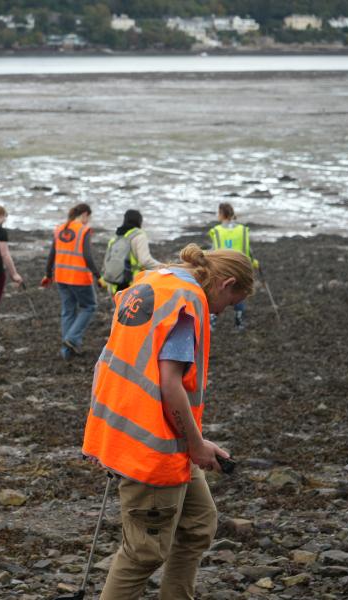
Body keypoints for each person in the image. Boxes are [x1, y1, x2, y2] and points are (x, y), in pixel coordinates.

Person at [82, 243, 254, 600]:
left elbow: (106, 359)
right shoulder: (187, 302)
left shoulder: (151, 284)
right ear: (227, 284)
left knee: (197, 525)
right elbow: (169, 382)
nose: (222, 312)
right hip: (150, 447)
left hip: (146, 435)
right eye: (230, 303)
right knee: (143, 553)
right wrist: (196, 444)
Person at [42, 203, 101, 360]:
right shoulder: (83, 230)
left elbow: (51, 254)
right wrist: (98, 275)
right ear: (84, 215)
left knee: (68, 311)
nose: (88, 221)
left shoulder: (59, 228)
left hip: (61, 276)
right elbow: (87, 256)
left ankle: (66, 352)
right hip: (79, 277)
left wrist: (48, 275)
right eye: (89, 217)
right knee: (89, 306)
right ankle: (72, 339)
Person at [207, 202, 258, 330]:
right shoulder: (242, 230)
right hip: (239, 268)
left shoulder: (217, 231)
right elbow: (248, 249)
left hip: (221, 269)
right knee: (239, 293)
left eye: (218, 212)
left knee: (215, 294)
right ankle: (238, 321)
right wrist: (253, 262)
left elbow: (213, 250)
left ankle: (212, 322)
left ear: (222, 214)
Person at [101, 209, 161, 296]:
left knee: (118, 309)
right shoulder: (139, 236)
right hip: (132, 285)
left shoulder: (115, 237)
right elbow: (145, 260)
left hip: (113, 284)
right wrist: (163, 267)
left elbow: (106, 261)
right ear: (139, 221)